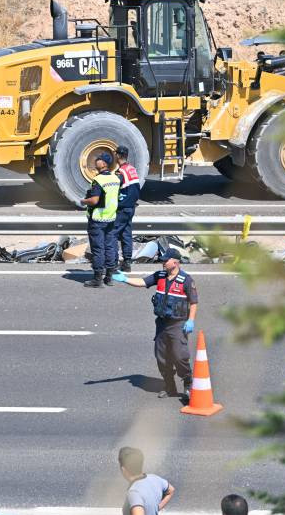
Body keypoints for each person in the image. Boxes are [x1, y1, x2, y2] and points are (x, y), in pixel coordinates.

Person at [111, 248, 198, 401]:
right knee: (161, 357)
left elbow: (194, 302)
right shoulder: (160, 276)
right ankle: (169, 386)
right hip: (162, 324)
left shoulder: (186, 280)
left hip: (178, 324)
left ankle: (188, 382)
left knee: (179, 355)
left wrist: (190, 320)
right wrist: (125, 279)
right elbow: (143, 282)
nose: (163, 262)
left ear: (175, 262)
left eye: (166, 260)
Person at [78, 152, 120, 288]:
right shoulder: (115, 178)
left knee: (98, 249)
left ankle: (97, 279)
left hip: (98, 219)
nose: (97, 161)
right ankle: (109, 277)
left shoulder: (98, 180)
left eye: (99, 159)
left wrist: (84, 201)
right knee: (110, 247)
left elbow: (95, 200)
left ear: (104, 164)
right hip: (111, 217)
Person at [113, 146, 141, 272]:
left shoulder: (120, 172)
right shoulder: (132, 169)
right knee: (126, 234)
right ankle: (127, 262)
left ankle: (112, 263)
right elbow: (136, 188)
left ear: (118, 156)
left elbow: (113, 190)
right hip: (131, 207)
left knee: (112, 234)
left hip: (122, 207)